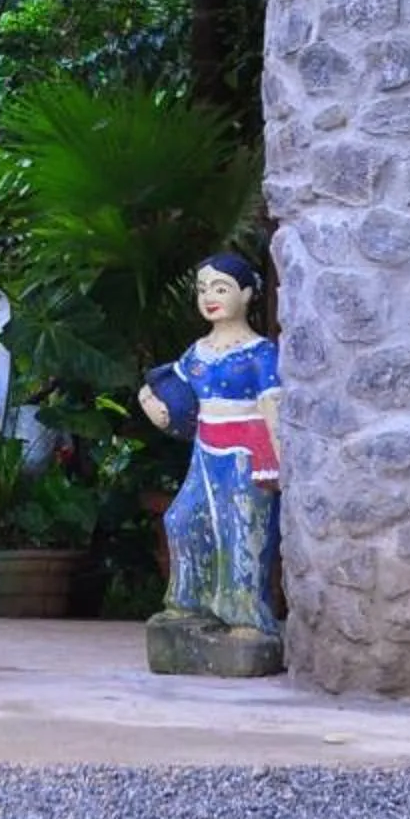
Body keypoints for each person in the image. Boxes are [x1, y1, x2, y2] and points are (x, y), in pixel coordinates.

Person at [137, 251, 284, 651]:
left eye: (221, 288)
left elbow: (273, 404)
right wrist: (152, 403)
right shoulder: (198, 350)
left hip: (246, 451)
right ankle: (189, 602)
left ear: (248, 294)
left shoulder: (260, 353)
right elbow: (173, 391)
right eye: (203, 289)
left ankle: (246, 615)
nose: (209, 297)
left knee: (243, 529)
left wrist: (280, 456)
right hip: (206, 448)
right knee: (183, 519)